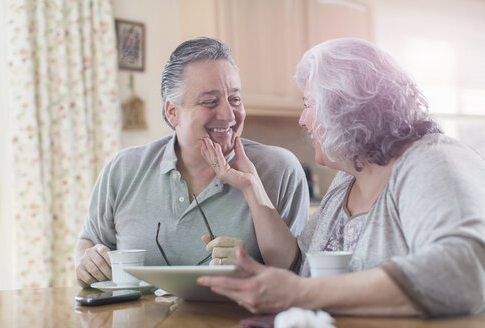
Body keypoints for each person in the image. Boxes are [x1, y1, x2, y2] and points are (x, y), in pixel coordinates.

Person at [197, 38, 485, 317]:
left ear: (348, 107)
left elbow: (465, 272)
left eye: (308, 104)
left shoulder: (435, 161)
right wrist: (251, 185)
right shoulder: (347, 180)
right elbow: (300, 267)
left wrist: (300, 293)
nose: (302, 120)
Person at [74, 37, 309, 287]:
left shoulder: (280, 169)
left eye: (235, 99)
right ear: (172, 112)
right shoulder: (123, 168)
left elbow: (297, 274)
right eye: (210, 101)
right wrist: (86, 262)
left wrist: (251, 269)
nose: (229, 115)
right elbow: (90, 240)